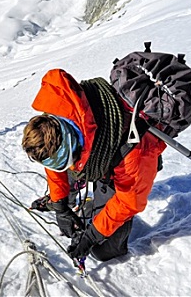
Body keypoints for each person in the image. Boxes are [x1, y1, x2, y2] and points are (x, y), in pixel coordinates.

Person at [22, 68, 165, 262]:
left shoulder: (133, 153)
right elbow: (56, 163)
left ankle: (96, 206)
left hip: (129, 164)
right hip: (93, 150)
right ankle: (74, 194)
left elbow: (129, 201)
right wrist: (61, 206)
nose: (60, 167)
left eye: (63, 160)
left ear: (71, 144)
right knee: (74, 167)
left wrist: (91, 236)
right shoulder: (57, 118)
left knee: (102, 250)